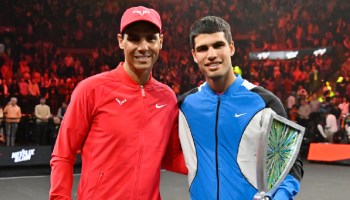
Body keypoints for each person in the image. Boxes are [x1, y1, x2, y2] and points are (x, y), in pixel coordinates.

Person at [50, 6, 186, 200]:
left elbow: (171, 158)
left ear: (160, 42)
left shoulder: (167, 97)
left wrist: (220, 166)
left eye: (150, 38)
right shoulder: (91, 90)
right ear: (121, 42)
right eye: (134, 38)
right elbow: (63, 155)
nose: (143, 47)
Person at [176, 16, 303, 199]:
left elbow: (290, 163)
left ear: (231, 47)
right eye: (203, 48)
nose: (211, 54)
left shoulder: (265, 102)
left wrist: (280, 197)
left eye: (218, 45)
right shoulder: (185, 105)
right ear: (195, 55)